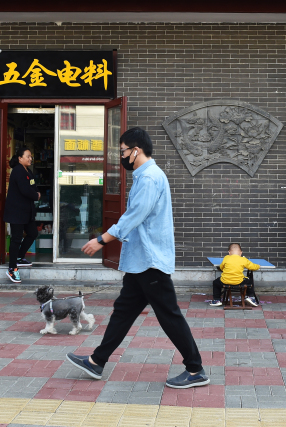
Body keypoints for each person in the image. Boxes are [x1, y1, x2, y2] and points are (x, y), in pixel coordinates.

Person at [66, 127, 208, 389]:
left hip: (149, 260)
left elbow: (135, 215)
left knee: (169, 315)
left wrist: (102, 239)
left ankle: (195, 369)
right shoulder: (146, 176)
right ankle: (97, 361)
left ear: (136, 150)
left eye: (122, 151)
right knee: (123, 311)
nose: (121, 156)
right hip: (141, 260)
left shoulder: (150, 178)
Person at [3, 146, 40, 283]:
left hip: (26, 211)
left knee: (32, 233)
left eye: (31, 156)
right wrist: (36, 195)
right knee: (16, 239)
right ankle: (12, 268)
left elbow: (33, 186)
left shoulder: (27, 171)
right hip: (16, 212)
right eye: (28, 156)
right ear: (20, 158)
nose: (30, 159)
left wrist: (35, 192)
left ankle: (19, 257)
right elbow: (25, 190)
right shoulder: (17, 171)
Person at [209, 243, 260, 307]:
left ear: (229, 252)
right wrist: (258, 266)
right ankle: (251, 297)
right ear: (241, 253)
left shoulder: (226, 258)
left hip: (225, 281)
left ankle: (216, 300)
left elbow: (221, 267)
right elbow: (253, 267)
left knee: (215, 283)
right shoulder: (243, 259)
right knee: (249, 280)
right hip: (238, 281)